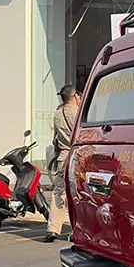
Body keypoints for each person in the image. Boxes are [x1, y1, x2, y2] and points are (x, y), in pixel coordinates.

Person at [45, 84, 81, 243]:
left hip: (62, 157)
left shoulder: (57, 114)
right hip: (76, 158)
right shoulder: (79, 114)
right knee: (78, 194)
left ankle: (52, 229)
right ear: (74, 97)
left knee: (58, 193)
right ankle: (79, 229)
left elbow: (55, 139)